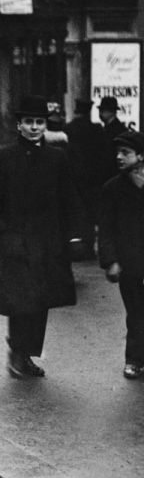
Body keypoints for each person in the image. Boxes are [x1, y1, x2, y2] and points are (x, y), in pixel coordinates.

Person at [0, 95, 85, 379]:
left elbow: (70, 199)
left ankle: (27, 355)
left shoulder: (57, 158)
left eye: (39, 122)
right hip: (15, 244)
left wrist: (74, 236)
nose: (35, 127)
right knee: (19, 301)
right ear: (19, 125)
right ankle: (16, 352)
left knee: (41, 301)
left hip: (48, 245)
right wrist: (4, 237)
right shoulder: (4, 158)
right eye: (29, 122)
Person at [98, 131, 144, 379]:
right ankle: (134, 360)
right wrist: (111, 261)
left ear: (140, 155)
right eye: (117, 152)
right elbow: (105, 229)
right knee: (136, 312)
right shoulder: (113, 189)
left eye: (125, 153)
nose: (119, 157)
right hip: (130, 263)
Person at [65, 99, 106, 260]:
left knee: (75, 212)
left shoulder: (68, 129)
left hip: (73, 178)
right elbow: (102, 155)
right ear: (89, 111)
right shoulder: (96, 130)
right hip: (92, 179)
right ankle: (88, 247)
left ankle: (74, 246)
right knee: (90, 213)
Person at [99, 96, 129, 185]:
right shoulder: (108, 129)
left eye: (103, 110)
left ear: (112, 112)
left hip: (112, 173)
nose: (100, 113)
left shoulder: (118, 131)